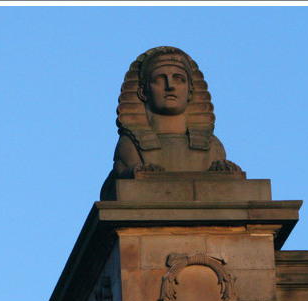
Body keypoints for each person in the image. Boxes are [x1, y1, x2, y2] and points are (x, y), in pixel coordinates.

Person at [103, 46, 241, 197]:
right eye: (160, 79)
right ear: (143, 92)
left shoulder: (213, 146)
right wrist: (133, 171)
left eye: (179, 79)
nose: (170, 86)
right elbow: (117, 183)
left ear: (191, 91)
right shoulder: (130, 145)